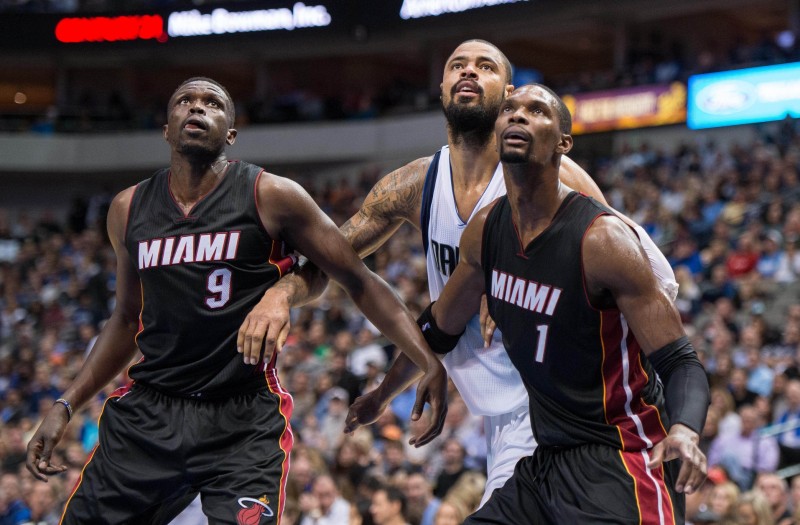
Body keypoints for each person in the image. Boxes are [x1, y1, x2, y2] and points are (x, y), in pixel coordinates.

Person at [256, 38, 678, 506]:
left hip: (549, 401)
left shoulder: (552, 178)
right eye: (458, 65)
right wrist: (283, 294)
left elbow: (655, 279)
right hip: (497, 412)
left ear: (509, 94)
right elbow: (334, 259)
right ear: (441, 87)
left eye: (485, 66)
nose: (469, 72)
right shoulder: (413, 184)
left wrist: (526, 287)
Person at [24, 77, 448, 524]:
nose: (197, 108)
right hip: (149, 415)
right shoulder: (127, 209)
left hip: (242, 418)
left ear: (230, 132)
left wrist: (427, 359)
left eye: (212, 103)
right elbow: (128, 318)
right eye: (184, 101)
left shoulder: (271, 195)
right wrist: (65, 403)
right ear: (166, 128)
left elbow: (355, 279)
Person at [404, 84, 709, 523]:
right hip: (546, 460)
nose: (518, 116)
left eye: (536, 111)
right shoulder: (487, 230)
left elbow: (681, 361)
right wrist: (394, 383)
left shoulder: (602, 240)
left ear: (564, 143)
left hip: (622, 457)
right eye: (509, 109)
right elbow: (439, 326)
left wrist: (684, 430)